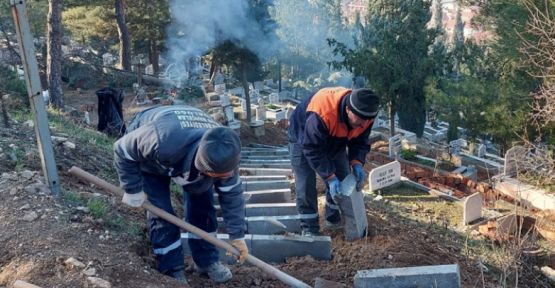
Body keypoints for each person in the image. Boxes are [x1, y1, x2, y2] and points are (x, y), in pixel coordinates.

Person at [113, 105, 249, 284]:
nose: (229, 176)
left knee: (203, 207)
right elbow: (122, 149)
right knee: (161, 212)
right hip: (152, 159)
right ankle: (172, 268)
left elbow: (232, 196)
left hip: (189, 148)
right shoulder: (161, 140)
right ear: (207, 170)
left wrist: (237, 236)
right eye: (222, 176)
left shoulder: (225, 153)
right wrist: (132, 189)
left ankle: (207, 261)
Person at [288, 87, 379, 236]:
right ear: (348, 109)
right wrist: (329, 177)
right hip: (303, 137)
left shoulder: (365, 115)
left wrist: (356, 162)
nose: (363, 125)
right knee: (305, 184)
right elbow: (312, 148)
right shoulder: (323, 113)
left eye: (367, 121)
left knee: (343, 177)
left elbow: (360, 141)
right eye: (360, 120)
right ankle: (310, 228)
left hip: (336, 138)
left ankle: (333, 218)